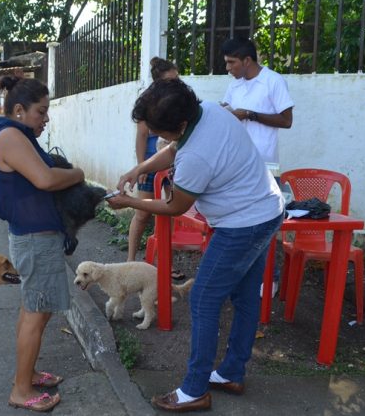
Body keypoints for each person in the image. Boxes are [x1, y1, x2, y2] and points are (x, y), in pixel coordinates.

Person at [107, 79, 284, 412]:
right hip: (266, 211)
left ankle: (195, 389)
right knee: (246, 297)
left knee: (202, 297)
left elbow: (174, 206)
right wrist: (140, 168)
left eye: (160, 130)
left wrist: (130, 203)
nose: (157, 136)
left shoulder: (197, 157)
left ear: (180, 123)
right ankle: (231, 372)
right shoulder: (210, 111)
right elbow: (175, 148)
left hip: (242, 225)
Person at [0, 76, 84, 412]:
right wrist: (78, 174)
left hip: (36, 237)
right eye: (41, 112)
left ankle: (29, 373)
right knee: (35, 313)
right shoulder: (11, 136)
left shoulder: (17, 135)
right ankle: (21, 389)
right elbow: (45, 179)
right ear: (19, 110)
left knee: (36, 312)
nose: (46, 118)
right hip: (33, 239)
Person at [220, 37, 294, 298]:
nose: (228, 67)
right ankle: (241, 277)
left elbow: (287, 120)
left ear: (247, 60)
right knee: (237, 220)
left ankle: (270, 277)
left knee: (266, 223)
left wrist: (250, 114)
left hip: (265, 165)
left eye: (231, 62)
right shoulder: (235, 85)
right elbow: (229, 112)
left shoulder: (273, 81)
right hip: (236, 164)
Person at [126, 58, 179, 276]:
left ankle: (165, 263)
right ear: (159, 81)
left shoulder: (179, 98)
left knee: (170, 212)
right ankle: (130, 261)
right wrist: (141, 167)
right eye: (171, 80)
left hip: (173, 161)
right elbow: (141, 135)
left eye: (177, 78)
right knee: (142, 213)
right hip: (150, 162)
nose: (176, 83)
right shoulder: (148, 100)